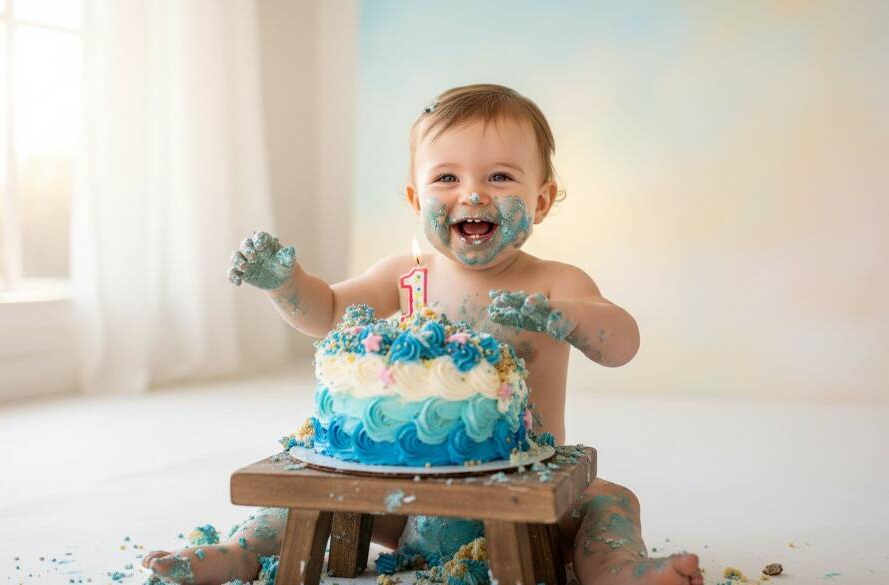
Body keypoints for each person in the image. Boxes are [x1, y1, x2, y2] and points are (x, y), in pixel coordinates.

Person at [143, 83, 702, 585]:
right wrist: (284, 283)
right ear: (415, 200)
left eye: (500, 176)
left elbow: (622, 344)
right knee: (306, 502)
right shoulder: (402, 276)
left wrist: (568, 319)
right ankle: (238, 555)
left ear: (541, 200)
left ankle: (618, 573)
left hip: (524, 495)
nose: (474, 194)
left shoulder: (555, 283)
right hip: (405, 496)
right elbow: (329, 312)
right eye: (446, 178)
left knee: (610, 501)